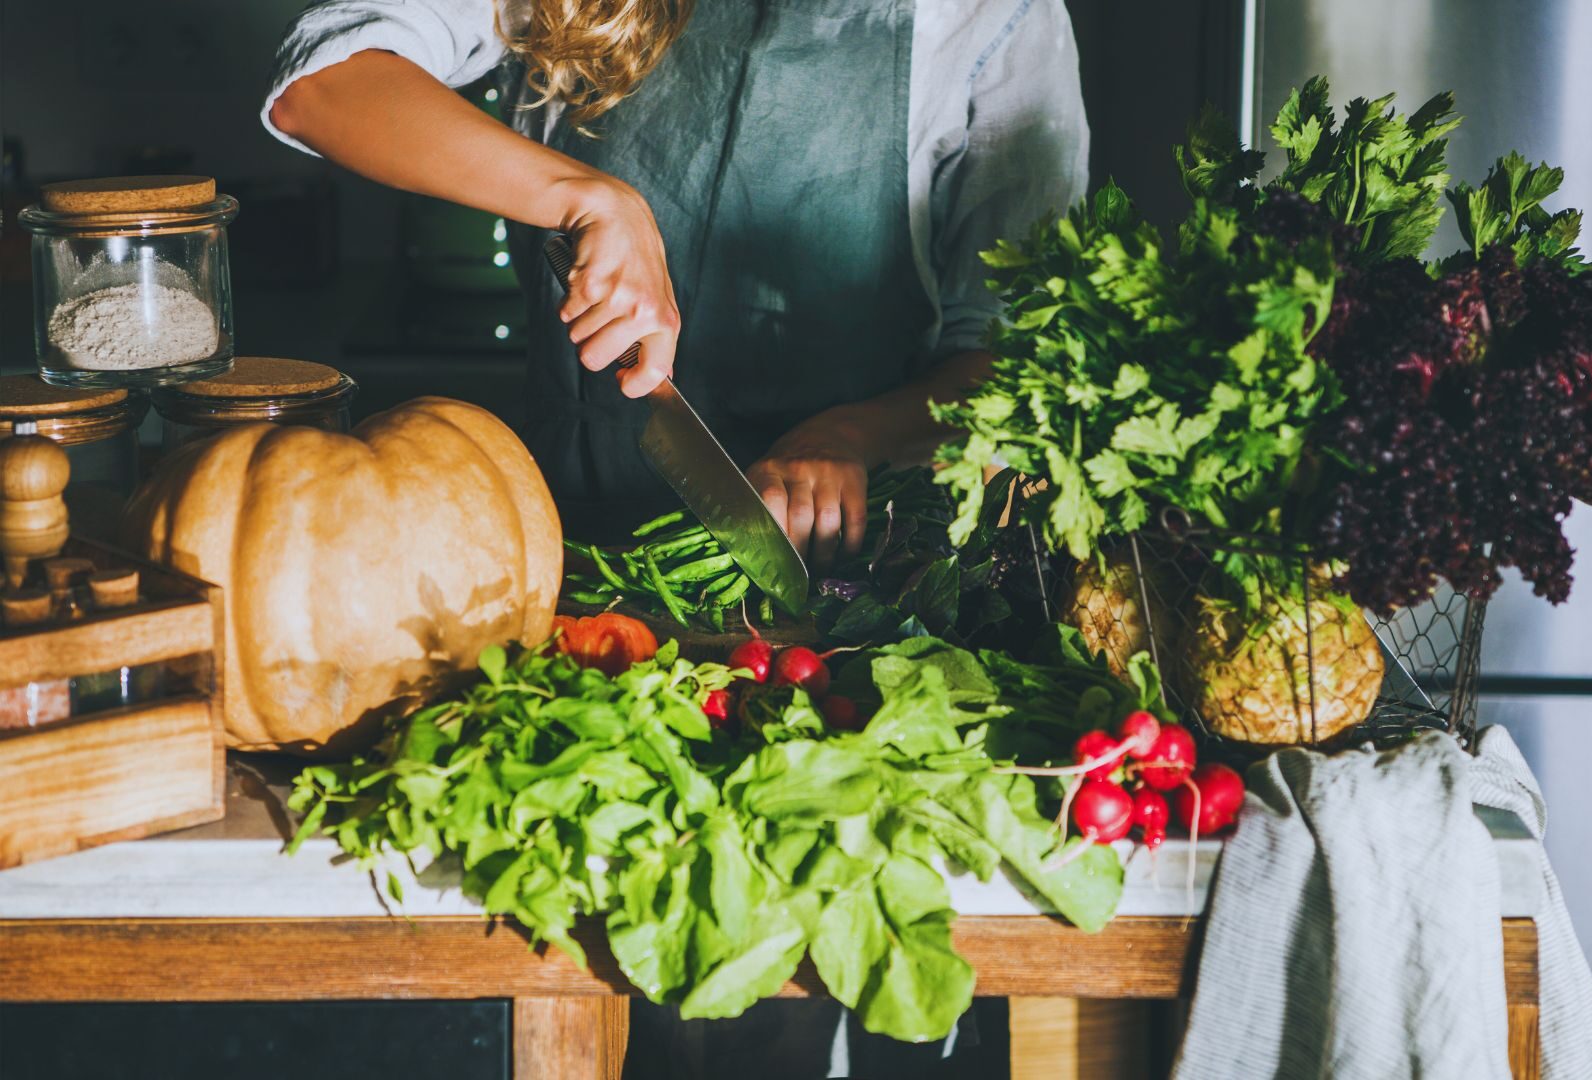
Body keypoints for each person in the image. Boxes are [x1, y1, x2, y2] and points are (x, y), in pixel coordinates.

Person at [264, 0, 1085, 1072]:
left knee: (823, 976)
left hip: (862, 612)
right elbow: (325, 78)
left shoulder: (996, 12)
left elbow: (1015, 351)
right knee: (605, 987)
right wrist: (583, 196)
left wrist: (860, 433)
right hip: (582, 599)